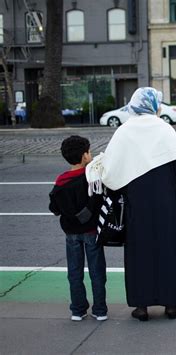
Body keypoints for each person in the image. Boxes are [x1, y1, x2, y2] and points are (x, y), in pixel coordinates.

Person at [86, 87, 176, 322]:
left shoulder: (124, 131)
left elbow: (111, 174)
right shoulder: (165, 129)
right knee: (171, 253)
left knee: (140, 255)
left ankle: (141, 306)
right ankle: (171, 304)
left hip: (137, 206)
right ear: (153, 105)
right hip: (169, 206)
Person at [49, 135, 107, 322]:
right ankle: (100, 310)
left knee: (74, 272)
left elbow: (54, 208)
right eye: (89, 152)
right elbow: (99, 201)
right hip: (91, 232)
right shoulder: (91, 178)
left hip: (71, 233)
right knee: (97, 272)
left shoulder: (61, 181)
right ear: (84, 156)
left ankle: (77, 310)